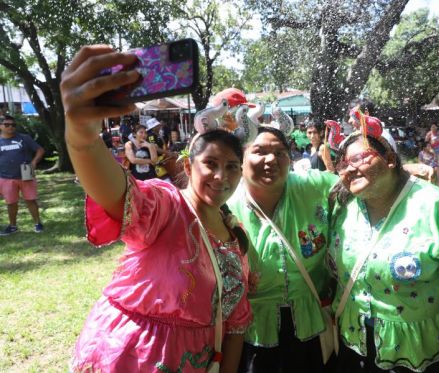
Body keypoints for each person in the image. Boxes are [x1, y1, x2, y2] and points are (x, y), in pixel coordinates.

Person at [61, 45, 252, 372]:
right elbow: (118, 193)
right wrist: (82, 138)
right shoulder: (166, 208)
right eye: (211, 163)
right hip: (132, 357)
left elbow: (234, 325)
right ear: (188, 168)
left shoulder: (236, 235)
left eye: (233, 166)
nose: (222, 176)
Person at [328, 118, 439, 373]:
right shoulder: (345, 208)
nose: (349, 168)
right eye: (343, 163)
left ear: (390, 160)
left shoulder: (437, 205)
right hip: (358, 348)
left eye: (359, 158)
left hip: (425, 352)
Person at [228, 125, 339, 372]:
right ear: (241, 159)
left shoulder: (312, 186)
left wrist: (401, 171)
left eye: (280, 152)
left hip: (311, 324)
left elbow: (354, 185)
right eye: (259, 151)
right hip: (251, 331)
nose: (271, 159)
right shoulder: (224, 204)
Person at [0, 114, 45, 235]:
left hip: (26, 172)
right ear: (1, 126)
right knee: (11, 202)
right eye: (7, 124)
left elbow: (40, 150)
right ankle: (13, 226)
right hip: (5, 176)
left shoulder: (24, 138)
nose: (11, 127)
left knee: (31, 200)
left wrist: (34, 162)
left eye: (13, 125)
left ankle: (38, 223)